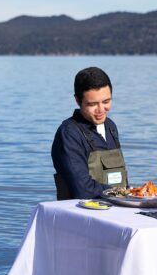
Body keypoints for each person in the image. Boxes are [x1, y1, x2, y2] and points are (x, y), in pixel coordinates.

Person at [51, 66, 129, 200]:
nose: (101, 110)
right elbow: (83, 190)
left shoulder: (110, 126)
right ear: (77, 100)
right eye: (93, 104)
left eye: (106, 102)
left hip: (118, 208)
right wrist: (124, 192)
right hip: (83, 215)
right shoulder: (69, 134)